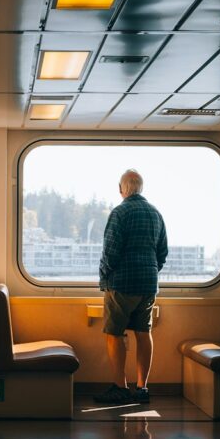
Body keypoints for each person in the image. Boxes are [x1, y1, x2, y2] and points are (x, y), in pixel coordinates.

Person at [93, 169, 167, 404]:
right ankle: (142, 388)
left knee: (114, 333)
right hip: (148, 283)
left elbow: (111, 252)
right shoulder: (156, 214)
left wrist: (104, 276)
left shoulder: (120, 212)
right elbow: (162, 252)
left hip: (122, 283)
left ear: (121, 189)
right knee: (144, 332)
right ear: (141, 188)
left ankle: (120, 386)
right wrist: (151, 272)